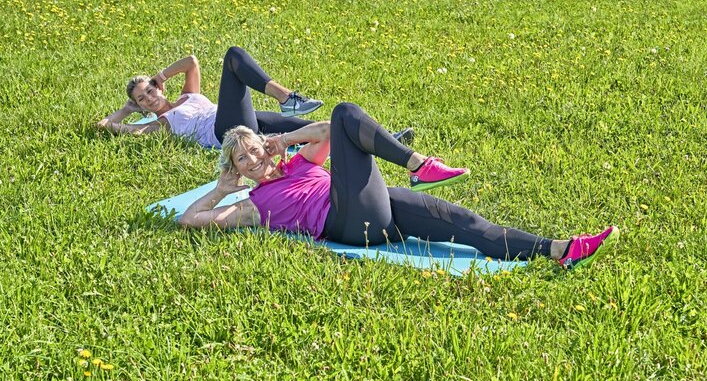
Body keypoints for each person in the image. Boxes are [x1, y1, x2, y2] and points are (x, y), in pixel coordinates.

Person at [179, 103, 619, 269]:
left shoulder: (296, 162)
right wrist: (222, 188)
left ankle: (558, 249)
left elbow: (324, 138)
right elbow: (189, 219)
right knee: (346, 113)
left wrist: (287, 139)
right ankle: (416, 164)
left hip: (376, 210)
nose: (254, 158)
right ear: (237, 168)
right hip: (345, 222)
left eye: (255, 148)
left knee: (463, 224)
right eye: (242, 158)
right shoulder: (254, 204)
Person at [97, 46, 324, 148]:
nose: (148, 98)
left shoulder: (188, 96)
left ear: (159, 88)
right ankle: (286, 99)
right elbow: (104, 125)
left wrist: (162, 75)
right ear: (142, 108)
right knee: (233, 57)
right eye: (141, 100)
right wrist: (127, 110)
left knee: (317, 129)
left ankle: (351, 139)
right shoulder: (162, 124)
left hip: (245, 120)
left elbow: (191, 62)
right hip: (226, 132)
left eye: (149, 90)